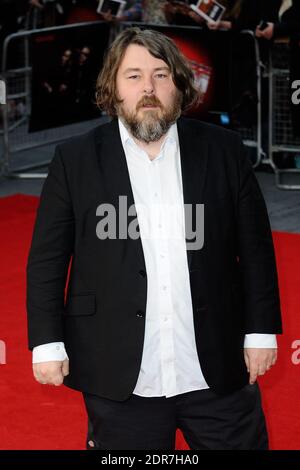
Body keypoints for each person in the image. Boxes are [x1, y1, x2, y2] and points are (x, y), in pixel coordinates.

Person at [27, 27, 282, 450]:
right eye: (133, 76)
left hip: (216, 367)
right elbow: (47, 262)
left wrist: (259, 333)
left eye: (161, 75)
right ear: (113, 88)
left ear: (181, 86)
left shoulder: (224, 151)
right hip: (120, 373)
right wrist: (47, 343)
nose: (148, 87)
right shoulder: (74, 160)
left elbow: (255, 251)